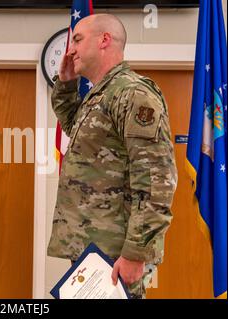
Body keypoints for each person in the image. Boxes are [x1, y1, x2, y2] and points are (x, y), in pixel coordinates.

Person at [47, 14, 178, 299]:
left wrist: (135, 253)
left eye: (78, 40)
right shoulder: (100, 95)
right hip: (91, 249)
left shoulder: (133, 93)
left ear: (104, 40)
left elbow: (157, 180)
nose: (71, 50)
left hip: (115, 253)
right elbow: (74, 126)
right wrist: (67, 83)